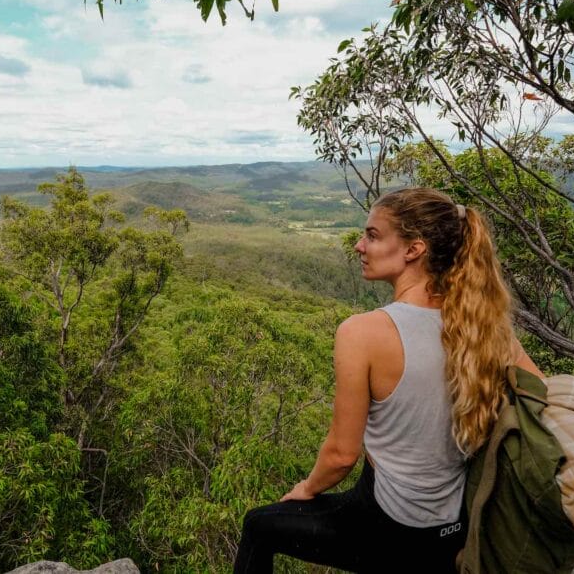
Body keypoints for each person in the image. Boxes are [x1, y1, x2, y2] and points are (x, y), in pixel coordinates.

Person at [233, 188, 544, 573]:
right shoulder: (486, 329)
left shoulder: (362, 332)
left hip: (388, 527)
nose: (360, 245)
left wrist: (306, 489)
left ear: (413, 249)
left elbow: (341, 456)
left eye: (373, 235)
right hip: (453, 530)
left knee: (259, 525)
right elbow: (541, 397)